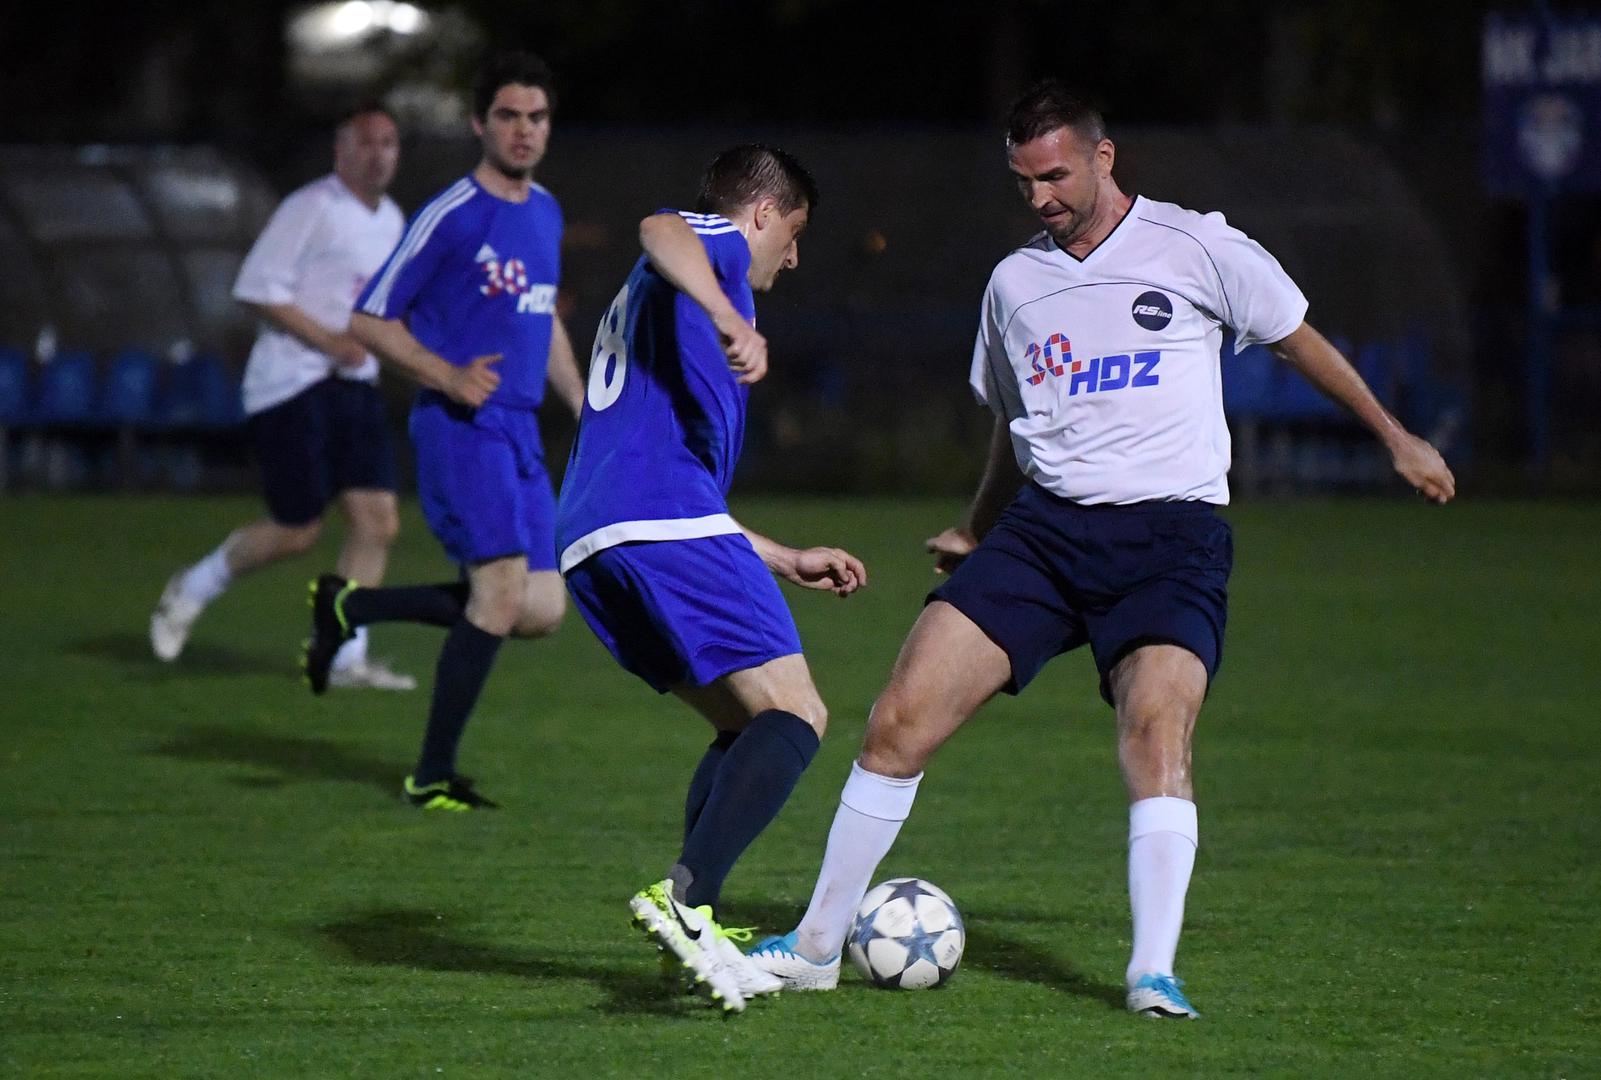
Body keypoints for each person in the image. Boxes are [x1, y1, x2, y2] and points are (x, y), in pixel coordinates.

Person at [747, 80, 1457, 1019]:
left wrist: (1393, 434)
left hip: (1171, 539)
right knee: (896, 720)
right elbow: (1014, 420)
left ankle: (1151, 973)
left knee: (1156, 734)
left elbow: (1297, 341)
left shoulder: (1196, 245)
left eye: (1054, 176)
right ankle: (815, 945)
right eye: (1023, 182)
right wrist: (975, 524)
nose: (1040, 197)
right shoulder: (1015, 283)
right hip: (1043, 535)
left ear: (1102, 156)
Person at [555, 145, 866, 1013]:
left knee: (743, 723)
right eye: (793, 233)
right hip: (654, 525)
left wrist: (782, 555)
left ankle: (688, 924)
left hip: (596, 538)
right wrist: (730, 316)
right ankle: (684, 900)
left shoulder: (672, 304)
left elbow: (668, 472)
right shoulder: (713, 249)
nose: (791, 257)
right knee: (798, 714)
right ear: (761, 213)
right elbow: (661, 226)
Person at [301, 51, 584, 811]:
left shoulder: (546, 211)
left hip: (520, 430)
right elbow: (367, 319)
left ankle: (348, 608)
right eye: (507, 116)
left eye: (536, 117)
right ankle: (430, 773)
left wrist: (584, 402)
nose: (523, 131)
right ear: (478, 123)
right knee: (495, 596)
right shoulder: (453, 213)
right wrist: (448, 376)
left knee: (542, 609)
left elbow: (542, 319)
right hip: (463, 425)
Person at [149, 104, 414, 690]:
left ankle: (345, 657)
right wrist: (332, 342)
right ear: (340, 151)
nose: (379, 155)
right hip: (294, 382)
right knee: (298, 529)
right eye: (366, 143)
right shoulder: (311, 207)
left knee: (377, 521)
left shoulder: (393, 219)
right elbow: (257, 289)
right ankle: (190, 588)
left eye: (389, 144)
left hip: (354, 385)